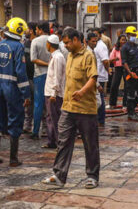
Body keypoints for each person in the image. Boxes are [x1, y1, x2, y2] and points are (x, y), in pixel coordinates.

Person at [40, 28, 100, 189]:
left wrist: (82, 92)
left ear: (75, 40)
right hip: (68, 107)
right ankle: (59, 174)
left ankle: (92, 176)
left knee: (90, 144)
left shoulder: (88, 55)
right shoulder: (70, 56)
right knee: (64, 141)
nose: (64, 45)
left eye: (66, 42)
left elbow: (93, 78)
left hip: (86, 109)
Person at [0, 17, 31, 167]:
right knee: (15, 119)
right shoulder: (18, 47)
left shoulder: (0, 45)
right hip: (12, 88)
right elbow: (21, 72)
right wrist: (26, 93)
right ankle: (13, 159)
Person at [43, 35, 66, 149]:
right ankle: (51, 141)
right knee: (49, 118)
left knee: (55, 119)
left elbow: (57, 76)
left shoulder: (58, 57)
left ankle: (58, 143)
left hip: (54, 94)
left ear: (49, 44)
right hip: (49, 92)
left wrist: (54, 94)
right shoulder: (54, 56)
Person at [30, 22, 51, 139]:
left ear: (40, 29)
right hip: (51, 75)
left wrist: (46, 64)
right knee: (51, 104)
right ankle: (50, 130)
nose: (36, 31)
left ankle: (35, 131)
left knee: (38, 104)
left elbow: (33, 59)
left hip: (39, 75)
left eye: (37, 29)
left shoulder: (35, 41)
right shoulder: (53, 40)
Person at [121, 26, 138, 121]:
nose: (134, 36)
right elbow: (124, 62)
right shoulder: (125, 48)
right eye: (132, 35)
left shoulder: (136, 46)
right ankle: (131, 113)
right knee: (131, 93)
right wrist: (130, 72)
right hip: (130, 73)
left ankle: (132, 108)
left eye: (135, 35)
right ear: (128, 35)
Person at [89, 32, 109, 125]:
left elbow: (105, 61)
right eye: (93, 41)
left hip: (98, 77)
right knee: (97, 101)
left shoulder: (99, 47)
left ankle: (100, 120)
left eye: (95, 41)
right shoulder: (89, 52)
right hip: (95, 78)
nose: (95, 43)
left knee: (99, 101)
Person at [23, 23, 36, 134]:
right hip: (27, 77)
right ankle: (28, 125)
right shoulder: (26, 43)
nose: (25, 30)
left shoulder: (37, 43)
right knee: (29, 102)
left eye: (27, 28)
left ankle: (44, 126)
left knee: (40, 102)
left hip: (37, 76)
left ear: (31, 30)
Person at [108, 34, 127, 108]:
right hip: (118, 68)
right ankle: (112, 104)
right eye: (122, 40)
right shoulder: (115, 48)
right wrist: (115, 59)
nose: (123, 41)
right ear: (119, 40)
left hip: (126, 68)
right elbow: (110, 59)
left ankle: (125, 104)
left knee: (127, 86)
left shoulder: (127, 48)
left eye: (125, 40)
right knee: (114, 86)